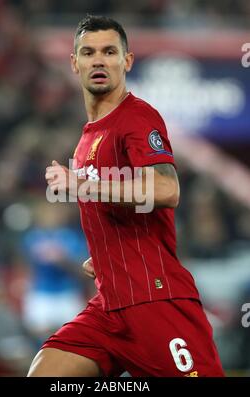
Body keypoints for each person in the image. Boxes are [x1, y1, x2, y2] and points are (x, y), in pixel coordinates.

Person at [28, 15, 224, 377]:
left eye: (109, 52)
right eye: (88, 52)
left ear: (127, 61)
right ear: (74, 63)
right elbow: (122, 208)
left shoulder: (137, 118)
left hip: (156, 300)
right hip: (108, 307)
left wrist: (80, 185)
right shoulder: (88, 137)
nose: (98, 60)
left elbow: (166, 189)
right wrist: (105, 254)